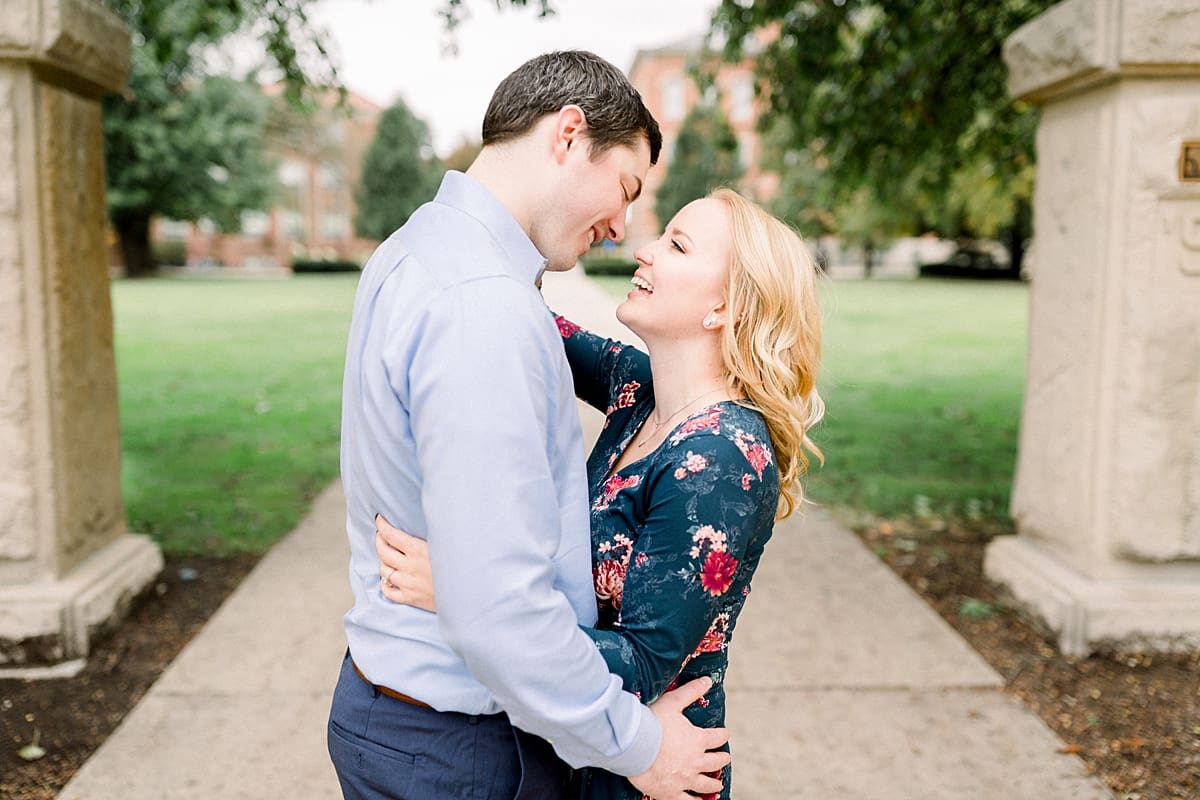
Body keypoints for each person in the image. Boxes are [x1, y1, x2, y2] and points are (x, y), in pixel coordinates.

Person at [330, 50, 731, 800]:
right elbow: (499, 613)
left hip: (392, 705)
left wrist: (459, 580)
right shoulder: (485, 306)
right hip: (463, 750)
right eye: (625, 188)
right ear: (569, 135)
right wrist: (640, 748)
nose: (623, 227)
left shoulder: (414, 249)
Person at [374, 187, 826, 799]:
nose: (645, 251)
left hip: (653, 771)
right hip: (595, 745)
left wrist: (462, 588)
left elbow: (641, 664)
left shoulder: (720, 459)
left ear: (725, 306)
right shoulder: (642, 392)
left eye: (677, 245)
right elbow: (518, 314)